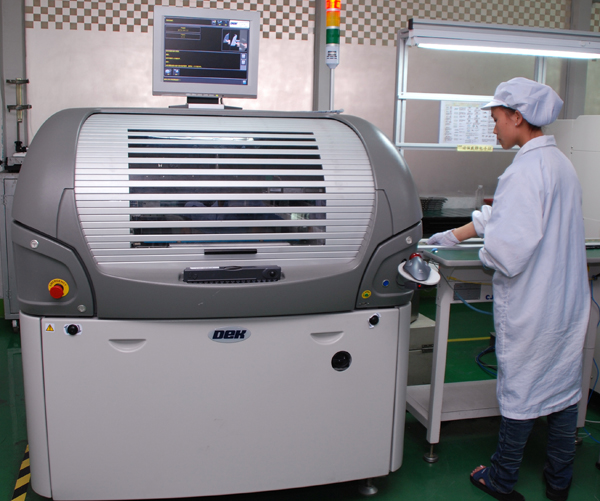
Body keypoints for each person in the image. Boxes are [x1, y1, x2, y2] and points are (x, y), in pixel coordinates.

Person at [427, 77, 590, 501]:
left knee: (522, 389)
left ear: (518, 117)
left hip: (534, 304)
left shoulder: (523, 171)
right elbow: (502, 216)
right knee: (562, 389)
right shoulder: (558, 163)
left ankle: (501, 478)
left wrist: (478, 251)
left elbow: (505, 253)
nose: (494, 127)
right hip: (566, 303)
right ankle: (559, 480)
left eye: (497, 118)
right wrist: (454, 234)